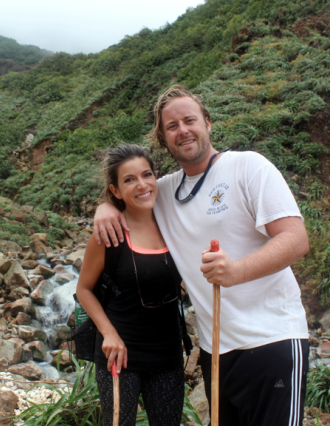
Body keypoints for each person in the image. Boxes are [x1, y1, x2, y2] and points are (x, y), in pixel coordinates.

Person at [93, 85, 310, 426]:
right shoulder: (164, 191)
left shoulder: (248, 167)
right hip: (215, 352)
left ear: (207, 123)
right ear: (163, 139)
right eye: (172, 126)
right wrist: (105, 207)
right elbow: (130, 192)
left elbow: (296, 239)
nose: (183, 130)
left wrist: (236, 271)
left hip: (272, 340)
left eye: (189, 120)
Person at [76, 144, 185, 426]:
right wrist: (109, 334)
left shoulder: (173, 222)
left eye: (147, 175)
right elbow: (83, 289)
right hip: (120, 351)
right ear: (115, 190)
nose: (142, 185)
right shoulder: (108, 233)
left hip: (167, 351)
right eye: (129, 180)